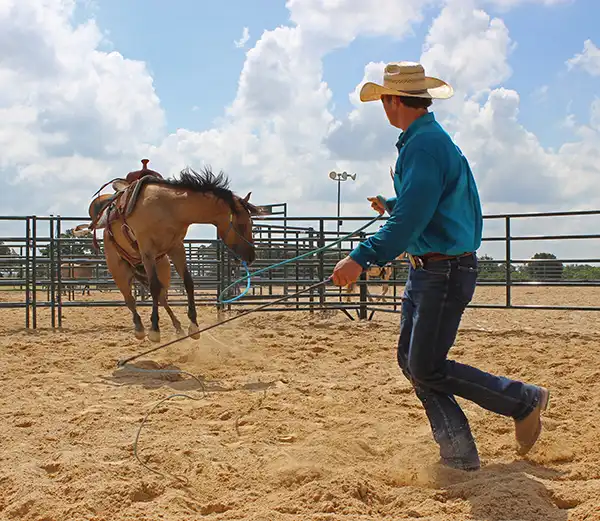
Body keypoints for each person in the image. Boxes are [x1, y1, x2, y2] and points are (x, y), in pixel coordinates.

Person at [331, 61, 549, 471]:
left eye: (383, 100)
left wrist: (360, 257)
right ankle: (462, 449)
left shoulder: (424, 146)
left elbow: (412, 220)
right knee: (413, 362)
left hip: (442, 271)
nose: (383, 107)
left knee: (425, 366)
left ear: (394, 100)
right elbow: (429, 203)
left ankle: (520, 402)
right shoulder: (426, 142)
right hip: (430, 269)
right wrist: (393, 204)